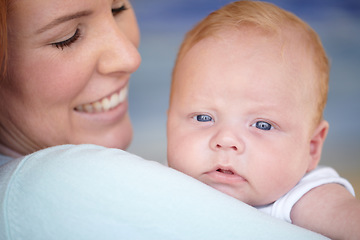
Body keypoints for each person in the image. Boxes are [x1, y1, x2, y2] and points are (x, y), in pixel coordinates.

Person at [0, 0, 327, 239]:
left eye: (118, 9)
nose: (130, 57)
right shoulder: (57, 184)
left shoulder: (315, 197)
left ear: (313, 147)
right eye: (67, 36)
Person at [166, 1, 360, 239]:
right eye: (204, 117)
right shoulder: (164, 184)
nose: (226, 140)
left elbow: (346, 218)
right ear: (168, 124)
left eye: (262, 125)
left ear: (311, 147)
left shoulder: (301, 197)